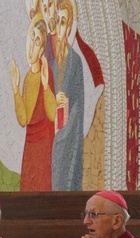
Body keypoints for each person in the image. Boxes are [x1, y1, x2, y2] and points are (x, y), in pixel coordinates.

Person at [11, 12, 56, 191]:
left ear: (42, 48)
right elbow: (23, 119)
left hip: (44, 144)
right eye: (32, 39)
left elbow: (52, 114)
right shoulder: (29, 77)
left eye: (37, 42)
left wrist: (45, 86)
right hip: (30, 144)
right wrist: (15, 88)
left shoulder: (47, 74)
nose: (32, 47)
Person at [49, 0, 84, 190]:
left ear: (69, 26)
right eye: (58, 21)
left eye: (64, 22)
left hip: (67, 134)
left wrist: (66, 106)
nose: (60, 28)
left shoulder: (75, 61)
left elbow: (79, 104)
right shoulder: (53, 61)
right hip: (51, 134)